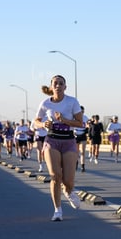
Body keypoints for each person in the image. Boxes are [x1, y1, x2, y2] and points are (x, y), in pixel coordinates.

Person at [33, 75, 83, 221]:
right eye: (55, 83)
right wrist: (43, 124)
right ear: (51, 87)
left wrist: (64, 120)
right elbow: (36, 121)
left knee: (68, 180)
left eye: (61, 83)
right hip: (52, 140)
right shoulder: (45, 103)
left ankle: (69, 191)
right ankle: (58, 210)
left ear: (65, 87)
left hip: (68, 140)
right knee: (55, 176)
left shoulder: (72, 102)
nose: (58, 86)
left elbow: (80, 123)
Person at [74, 106, 89, 172]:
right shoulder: (74, 117)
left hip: (83, 134)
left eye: (83, 111)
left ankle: (83, 166)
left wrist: (88, 128)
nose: (82, 113)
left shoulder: (85, 118)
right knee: (76, 152)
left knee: (82, 152)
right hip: (76, 135)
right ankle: (76, 162)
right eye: (81, 111)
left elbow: (88, 125)